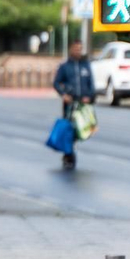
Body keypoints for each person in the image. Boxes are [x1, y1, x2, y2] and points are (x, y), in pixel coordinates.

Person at [52, 39, 95, 170]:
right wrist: (63, 95)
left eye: (80, 49)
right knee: (69, 129)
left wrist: (90, 97)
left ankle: (70, 149)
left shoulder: (85, 65)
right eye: (76, 49)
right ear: (71, 49)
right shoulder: (65, 67)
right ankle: (69, 155)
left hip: (83, 104)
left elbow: (91, 84)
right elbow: (56, 83)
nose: (78, 51)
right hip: (70, 104)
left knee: (82, 130)